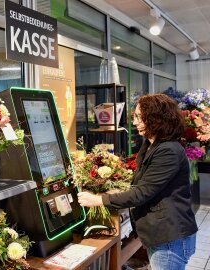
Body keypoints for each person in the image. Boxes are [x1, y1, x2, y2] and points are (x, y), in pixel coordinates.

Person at [78, 94, 198, 270]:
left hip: (170, 238)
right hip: (164, 235)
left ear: (156, 119)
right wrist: (116, 192)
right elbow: (143, 183)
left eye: (139, 118)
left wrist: (99, 200)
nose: (134, 123)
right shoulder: (152, 145)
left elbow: (143, 192)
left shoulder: (168, 151)